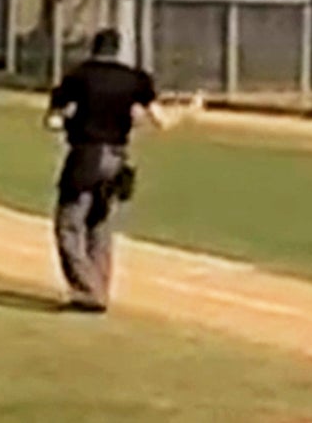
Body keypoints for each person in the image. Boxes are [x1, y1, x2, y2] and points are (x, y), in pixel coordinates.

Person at [44, 29, 203, 313]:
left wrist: (67, 122)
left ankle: (88, 290)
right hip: (117, 157)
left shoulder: (78, 76)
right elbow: (161, 122)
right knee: (100, 225)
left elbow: (53, 120)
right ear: (117, 50)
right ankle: (99, 287)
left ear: (93, 48)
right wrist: (189, 110)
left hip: (86, 155)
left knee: (69, 224)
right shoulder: (135, 79)